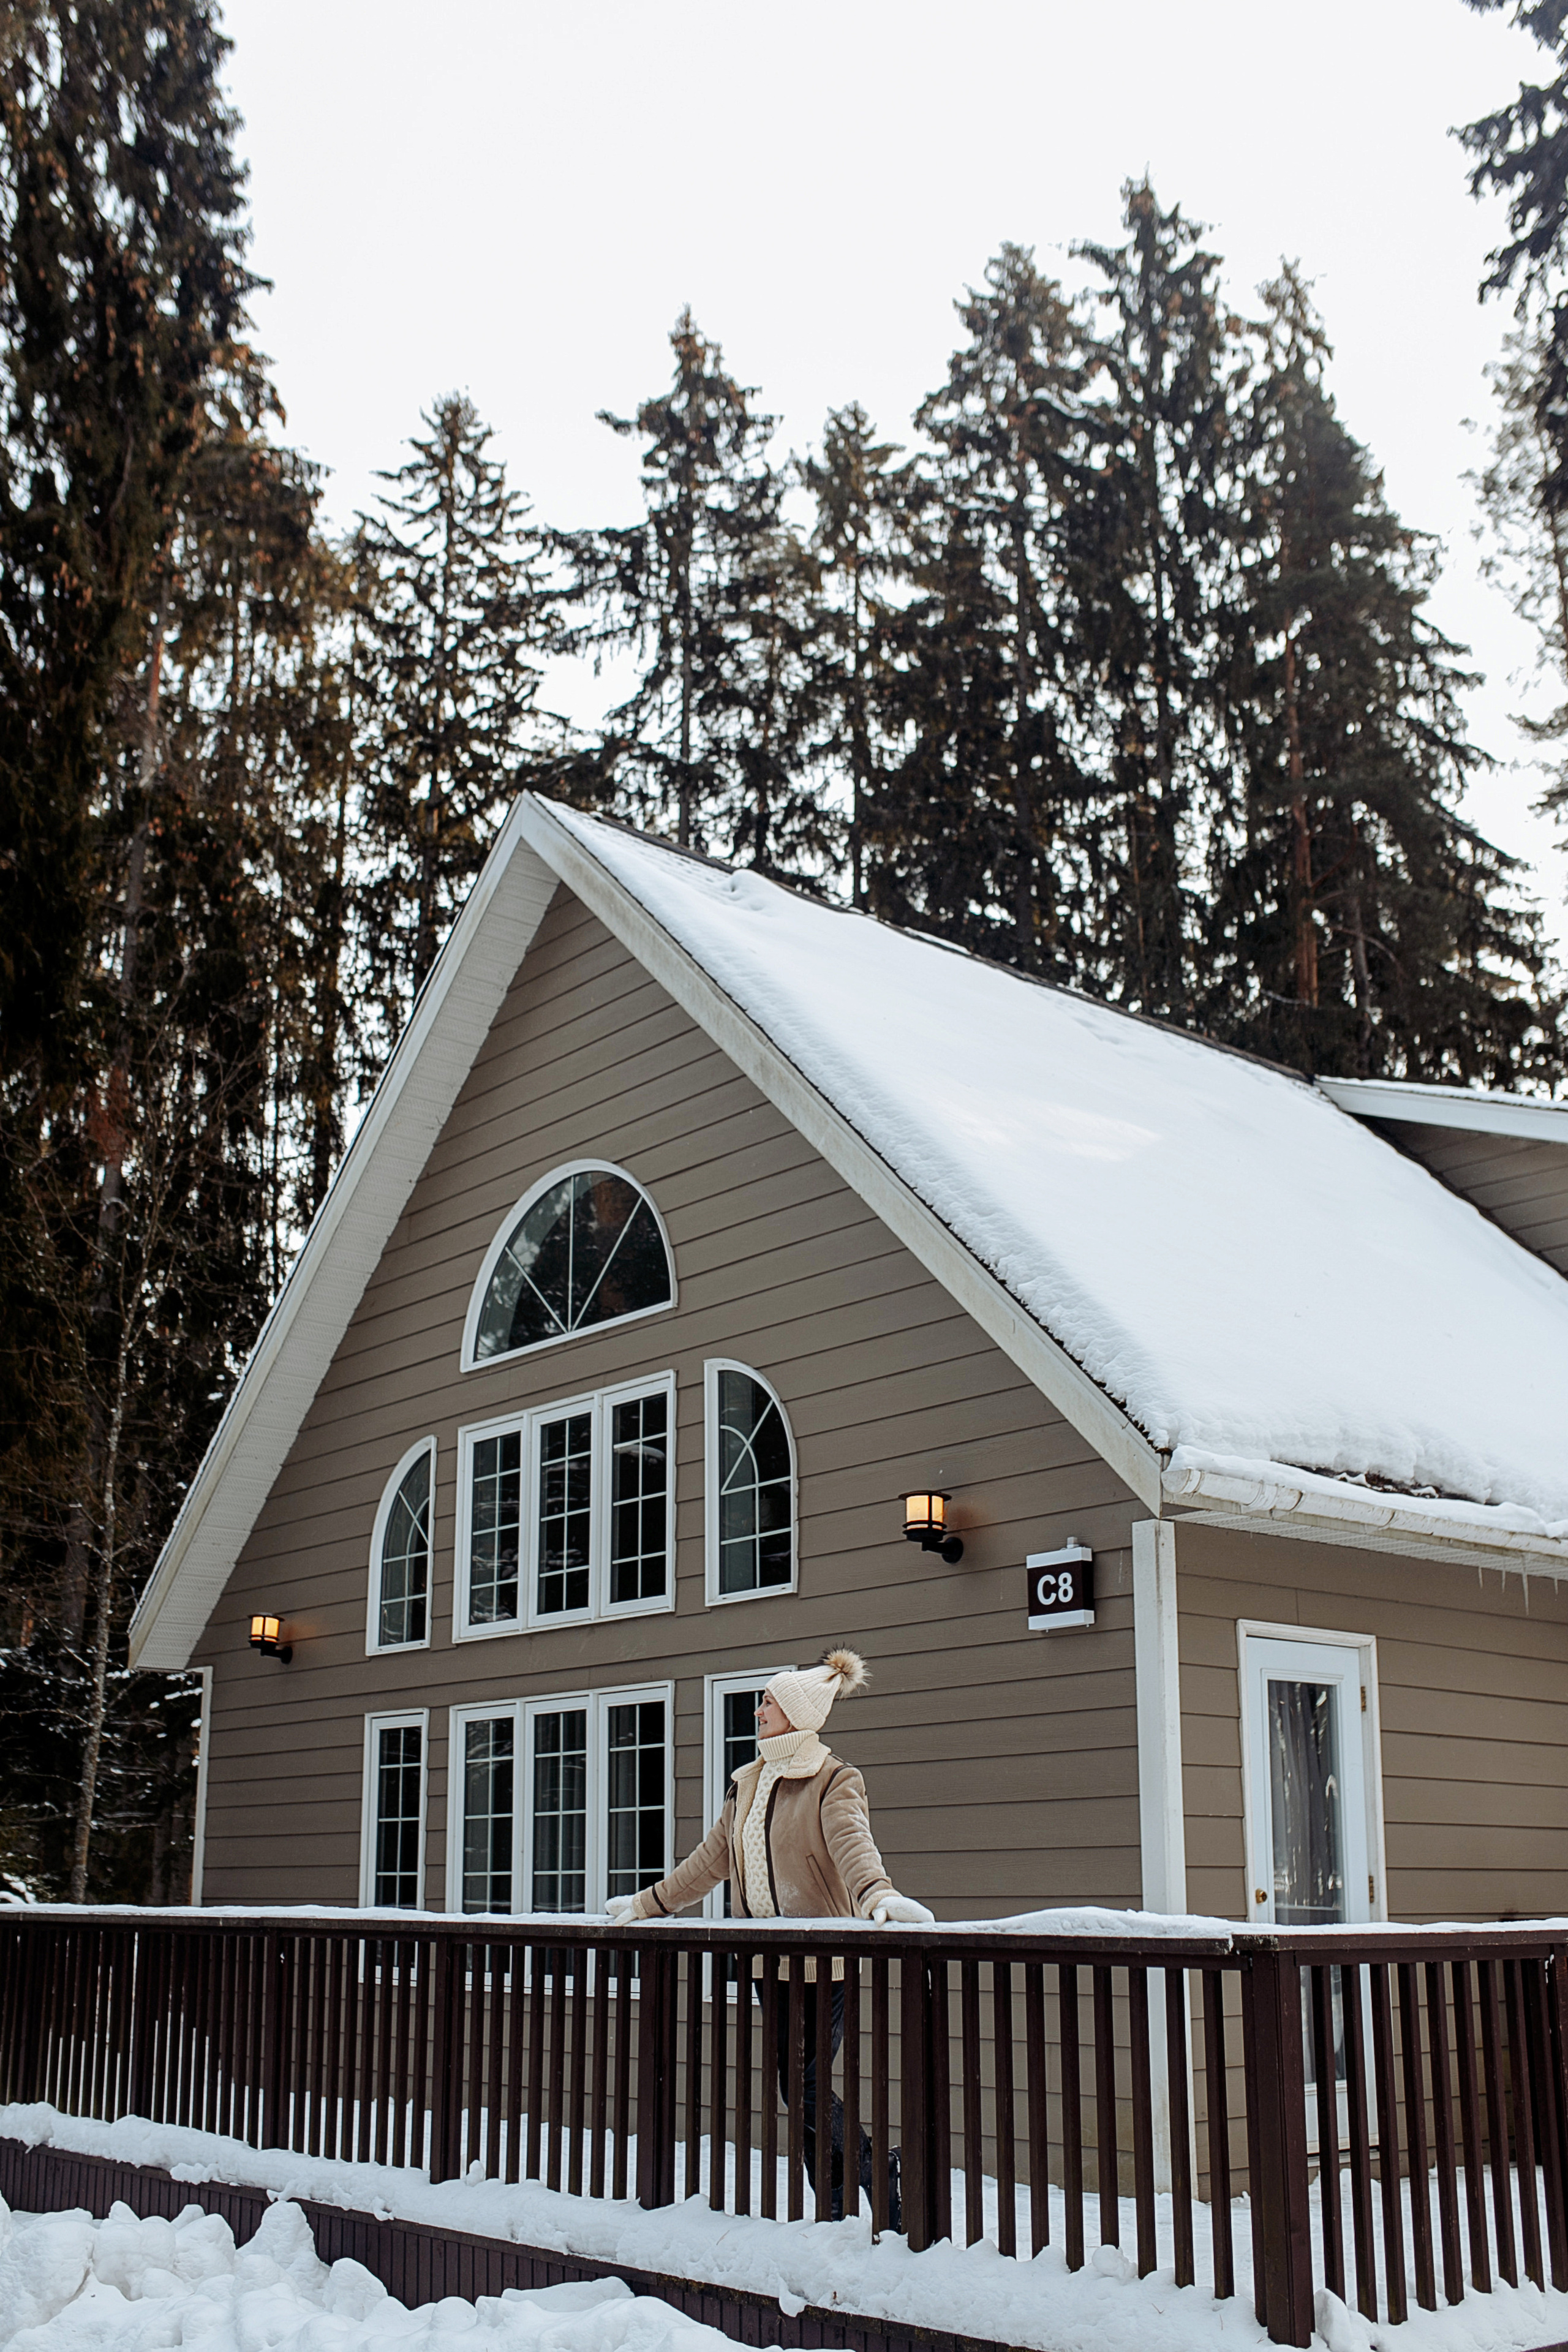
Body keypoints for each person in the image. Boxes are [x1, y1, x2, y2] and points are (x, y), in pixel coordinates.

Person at [606, 1648, 932, 2224]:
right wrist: (646, 1903)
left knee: (806, 2086)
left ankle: (879, 2169)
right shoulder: (748, 1784)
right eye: (761, 1702)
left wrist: (879, 1897)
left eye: (768, 1703)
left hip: (823, 1962)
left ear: (797, 1713)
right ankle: (833, 2208)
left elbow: (854, 1847)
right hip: (766, 1963)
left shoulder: (833, 1779)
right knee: (796, 2089)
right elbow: (710, 1863)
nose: (758, 1712)